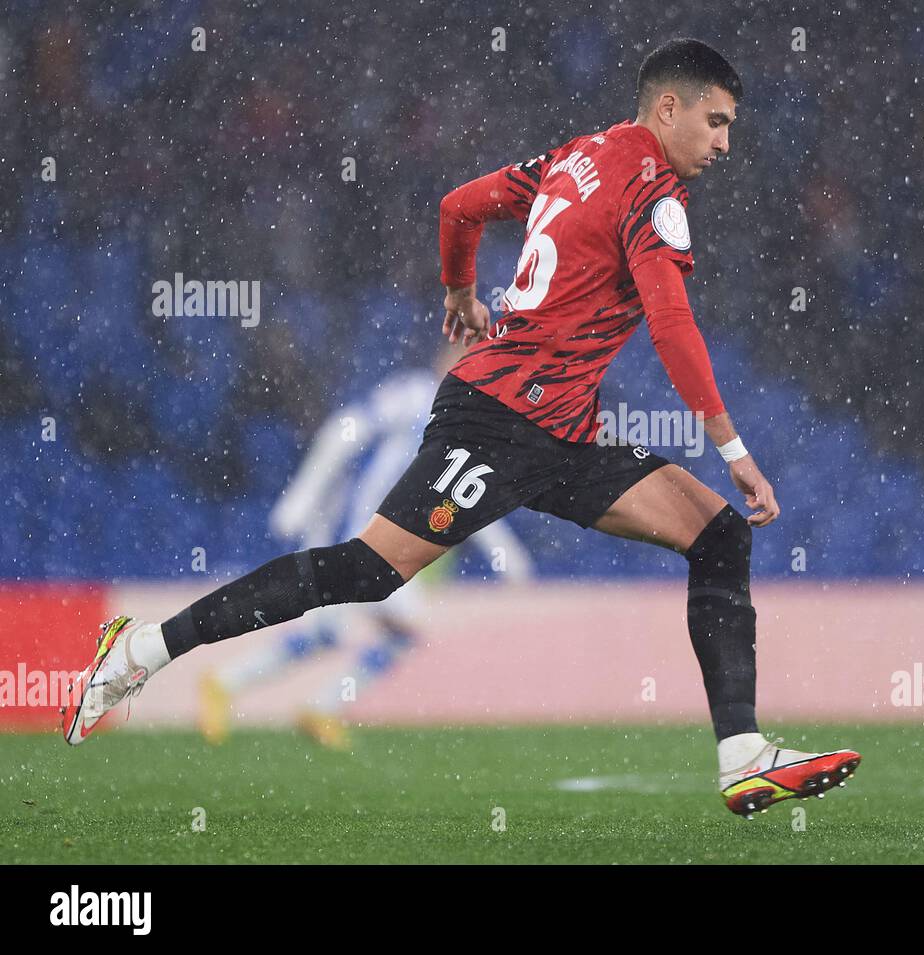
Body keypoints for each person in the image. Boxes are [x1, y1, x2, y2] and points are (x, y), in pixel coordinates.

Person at [62, 37, 859, 819]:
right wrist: (735, 450)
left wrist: (459, 292)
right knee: (368, 571)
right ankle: (140, 651)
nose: (724, 143)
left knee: (717, 535)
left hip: (564, 431)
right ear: (669, 107)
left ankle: (742, 756)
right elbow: (672, 323)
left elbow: (460, 207)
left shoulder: (572, 158)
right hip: (500, 419)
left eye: (730, 128)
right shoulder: (653, 192)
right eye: (715, 122)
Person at [197, 359, 535, 750]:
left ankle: (304, 702)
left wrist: (503, 550)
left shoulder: (467, 425)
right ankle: (230, 685)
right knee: (346, 630)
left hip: (388, 539)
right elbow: (344, 431)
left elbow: (463, 495)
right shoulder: (415, 394)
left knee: (387, 630)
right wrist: (304, 494)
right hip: (357, 525)